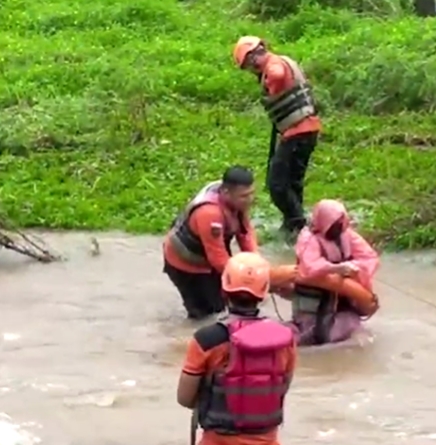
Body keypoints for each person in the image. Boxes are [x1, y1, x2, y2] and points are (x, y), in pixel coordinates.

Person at [177, 252, 297, 445]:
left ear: (224, 289)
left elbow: (184, 398)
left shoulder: (206, 340)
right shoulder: (285, 340)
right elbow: (282, 388)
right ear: (265, 292)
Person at [232, 36, 321, 239]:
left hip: (298, 132)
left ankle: (299, 226)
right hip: (306, 130)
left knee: (277, 184)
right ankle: (292, 225)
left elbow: (278, 74)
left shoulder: (274, 66)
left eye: (247, 66)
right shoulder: (284, 59)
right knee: (293, 182)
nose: (250, 71)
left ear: (253, 57)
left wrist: (271, 82)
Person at [163, 166, 258, 319]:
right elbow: (218, 257)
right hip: (186, 264)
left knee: (229, 300)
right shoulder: (209, 214)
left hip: (210, 249)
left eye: (252, 193)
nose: (250, 199)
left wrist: (257, 265)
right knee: (208, 313)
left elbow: (245, 233)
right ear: (226, 192)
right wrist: (248, 281)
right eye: (244, 196)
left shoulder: (235, 200)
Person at [286, 199, 379, 345]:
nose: (339, 227)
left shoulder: (347, 235)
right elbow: (309, 267)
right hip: (314, 299)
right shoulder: (308, 239)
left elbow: (369, 257)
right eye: (335, 224)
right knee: (309, 334)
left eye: (341, 223)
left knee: (352, 326)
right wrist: (335, 269)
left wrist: (354, 266)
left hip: (341, 299)